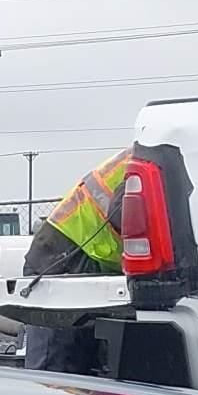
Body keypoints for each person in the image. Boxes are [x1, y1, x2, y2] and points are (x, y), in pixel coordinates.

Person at [20, 150, 129, 374]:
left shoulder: (153, 152)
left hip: (78, 257)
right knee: (55, 377)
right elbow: (126, 214)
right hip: (63, 260)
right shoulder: (154, 159)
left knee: (83, 375)